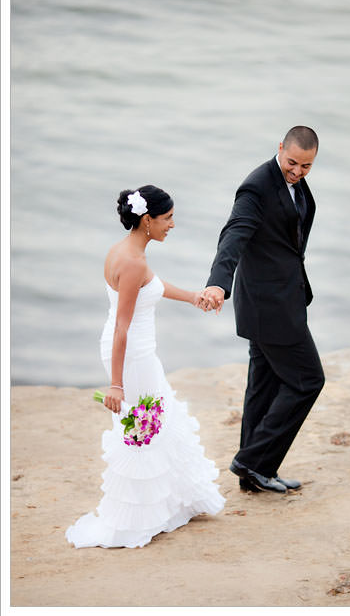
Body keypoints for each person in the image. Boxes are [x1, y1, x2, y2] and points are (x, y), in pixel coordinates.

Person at [66, 186, 225, 549]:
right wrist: (116, 385)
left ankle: (161, 507)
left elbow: (149, 287)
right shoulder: (133, 261)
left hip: (134, 352)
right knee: (142, 431)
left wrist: (193, 297)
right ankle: (132, 519)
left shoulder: (124, 250)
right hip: (131, 356)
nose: (173, 224)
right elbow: (123, 325)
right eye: (167, 218)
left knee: (157, 423)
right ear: (147, 220)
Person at [199, 126, 325, 494]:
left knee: (264, 384)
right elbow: (234, 234)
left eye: (306, 166)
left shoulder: (295, 184)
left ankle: (253, 473)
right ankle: (253, 460)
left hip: (280, 299)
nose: (298, 172)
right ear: (280, 148)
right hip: (270, 307)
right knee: (308, 380)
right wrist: (218, 282)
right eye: (292, 163)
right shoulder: (256, 186)